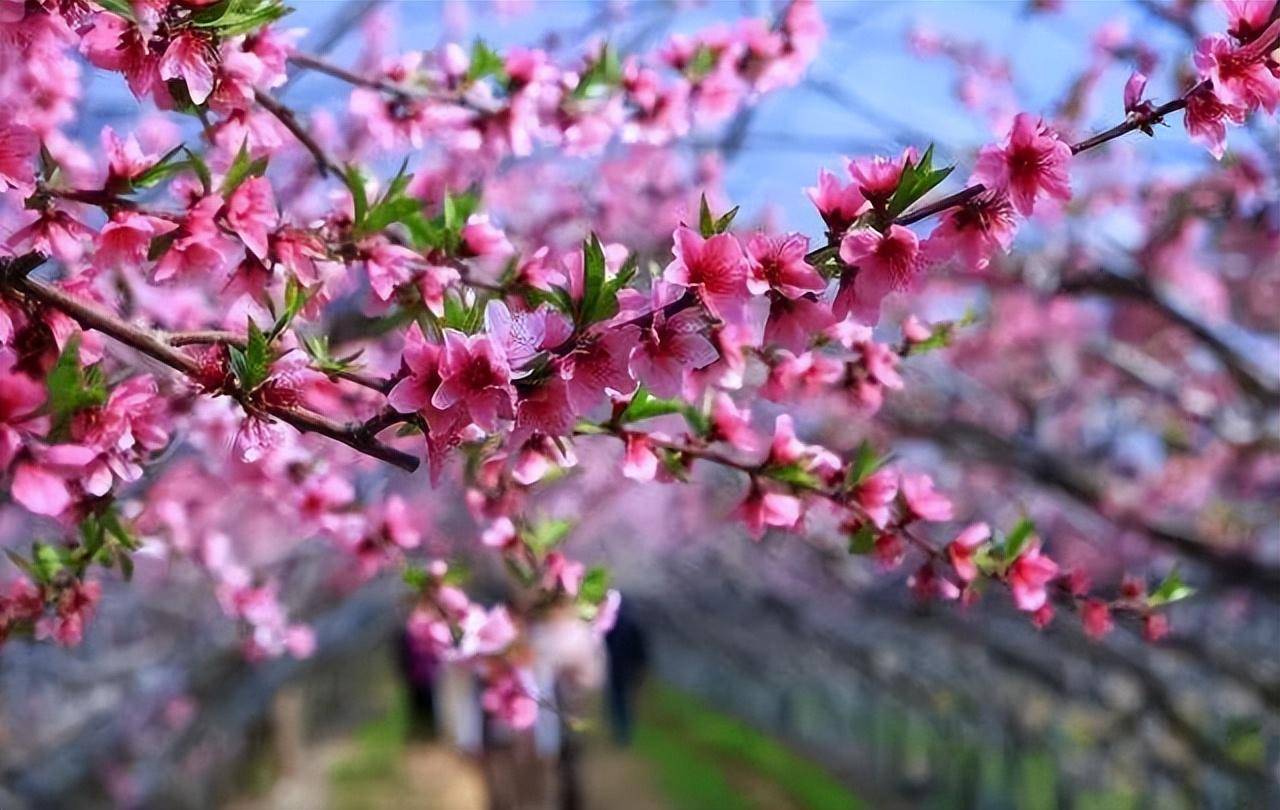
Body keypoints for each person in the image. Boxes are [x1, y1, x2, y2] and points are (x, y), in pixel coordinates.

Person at [603, 598, 648, 746]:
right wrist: (641, 666)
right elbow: (640, 648)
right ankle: (625, 733)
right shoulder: (634, 623)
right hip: (629, 668)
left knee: (616, 700)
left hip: (615, 666)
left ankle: (619, 732)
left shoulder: (611, 623)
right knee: (626, 700)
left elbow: (604, 646)